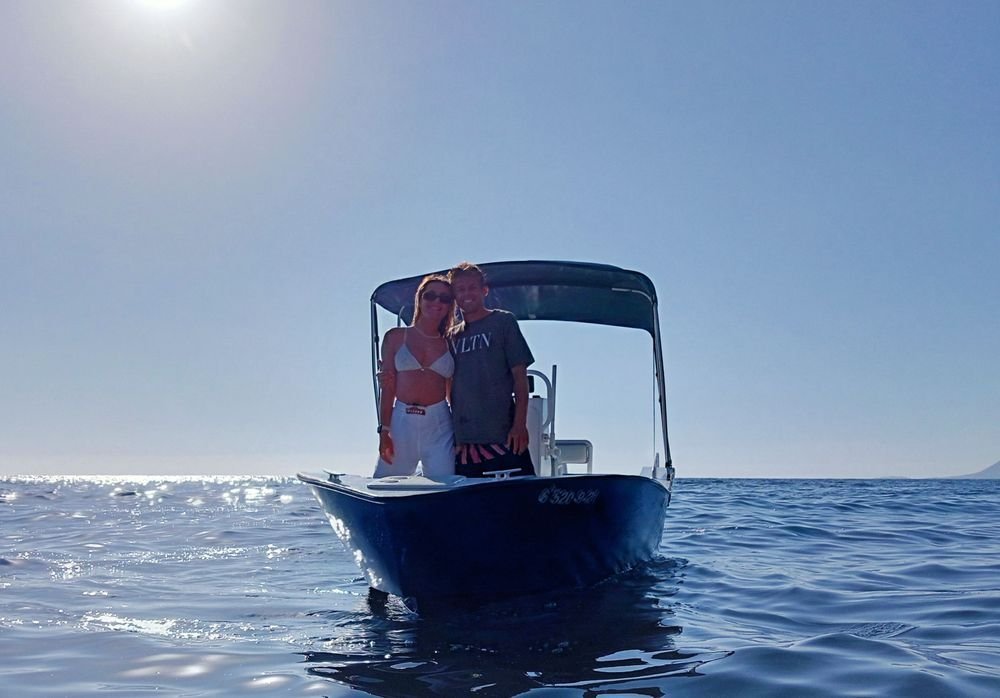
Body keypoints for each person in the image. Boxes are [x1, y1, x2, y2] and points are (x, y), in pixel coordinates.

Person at [447, 261, 536, 477]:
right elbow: (446, 385)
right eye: (460, 289)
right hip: (465, 442)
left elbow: (519, 377)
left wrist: (520, 425)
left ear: (483, 290)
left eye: (472, 288)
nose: (467, 294)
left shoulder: (503, 322)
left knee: (518, 499)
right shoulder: (451, 336)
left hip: (504, 435)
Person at [374, 275, 456, 479]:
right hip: (402, 421)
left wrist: (462, 435)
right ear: (420, 298)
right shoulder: (394, 337)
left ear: (449, 306)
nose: (437, 302)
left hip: (440, 425)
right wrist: (384, 431)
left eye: (444, 299)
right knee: (385, 485)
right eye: (431, 296)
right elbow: (388, 388)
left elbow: (453, 393)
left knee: (444, 487)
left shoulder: (452, 342)